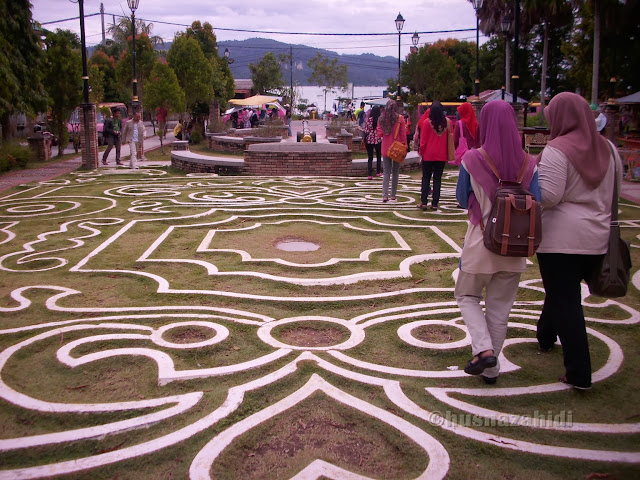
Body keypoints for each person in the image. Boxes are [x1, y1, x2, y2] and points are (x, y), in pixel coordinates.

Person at [535, 92, 622, 390]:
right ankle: (544, 335)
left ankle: (579, 372)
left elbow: (549, 195)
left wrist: (534, 174)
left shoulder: (558, 150)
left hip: (560, 240)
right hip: (597, 236)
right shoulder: (609, 149)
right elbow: (615, 190)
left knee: (565, 300)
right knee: (560, 293)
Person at [455, 100, 541, 384]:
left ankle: (483, 350)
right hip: (516, 247)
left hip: (481, 242)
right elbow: (537, 202)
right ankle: (491, 371)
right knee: (499, 309)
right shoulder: (529, 163)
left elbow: (460, 199)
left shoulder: (472, 159)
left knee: (466, 296)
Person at [418, 101, 452, 210]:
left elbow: (423, 142)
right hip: (441, 156)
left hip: (428, 155)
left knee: (426, 178)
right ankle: (435, 203)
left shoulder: (427, 123)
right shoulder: (447, 123)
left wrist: (421, 154)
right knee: (437, 179)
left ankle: (424, 202)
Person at [377, 99, 407, 203]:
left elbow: (379, 134)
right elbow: (403, 134)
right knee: (395, 171)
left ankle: (385, 195)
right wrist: (405, 146)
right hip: (397, 148)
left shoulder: (381, 119)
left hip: (386, 148)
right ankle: (393, 195)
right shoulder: (400, 119)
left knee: (386, 172)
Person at [360, 105, 382, 179]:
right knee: (378, 156)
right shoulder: (380, 121)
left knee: (370, 158)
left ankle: (370, 174)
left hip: (369, 140)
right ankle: (378, 172)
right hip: (378, 140)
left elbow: (366, 131)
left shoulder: (369, 120)